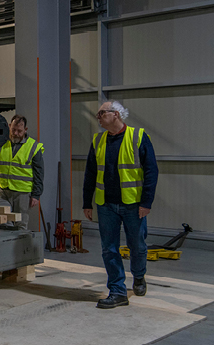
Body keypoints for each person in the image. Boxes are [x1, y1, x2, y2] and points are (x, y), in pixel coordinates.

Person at [83, 101, 158, 309]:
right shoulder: (98, 140)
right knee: (109, 249)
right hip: (106, 204)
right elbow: (90, 173)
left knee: (138, 246)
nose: (98, 117)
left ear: (115, 114)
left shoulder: (138, 136)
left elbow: (152, 171)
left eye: (101, 113)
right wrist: (86, 202)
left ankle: (139, 276)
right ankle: (117, 290)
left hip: (134, 204)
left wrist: (147, 202)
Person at [0, 114, 44, 230]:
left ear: (25, 130)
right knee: (4, 222)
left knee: (20, 225)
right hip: (3, 192)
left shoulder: (33, 147)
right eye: (13, 130)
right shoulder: (1, 142)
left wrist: (36, 195)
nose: (15, 133)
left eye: (19, 131)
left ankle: (19, 248)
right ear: (9, 126)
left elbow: (39, 173)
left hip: (22, 193)